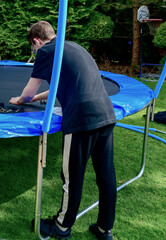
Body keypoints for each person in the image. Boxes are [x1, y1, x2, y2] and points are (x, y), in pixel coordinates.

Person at [9, 21, 117, 240]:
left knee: (72, 177)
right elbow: (60, 85)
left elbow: (29, 92)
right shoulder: (74, 47)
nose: (34, 50)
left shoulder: (46, 51)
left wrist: (20, 100)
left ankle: (62, 227)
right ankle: (105, 228)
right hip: (105, 114)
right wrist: (38, 99)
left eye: (33, 46)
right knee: (106, 176)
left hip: (81, 119)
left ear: (36, 41)